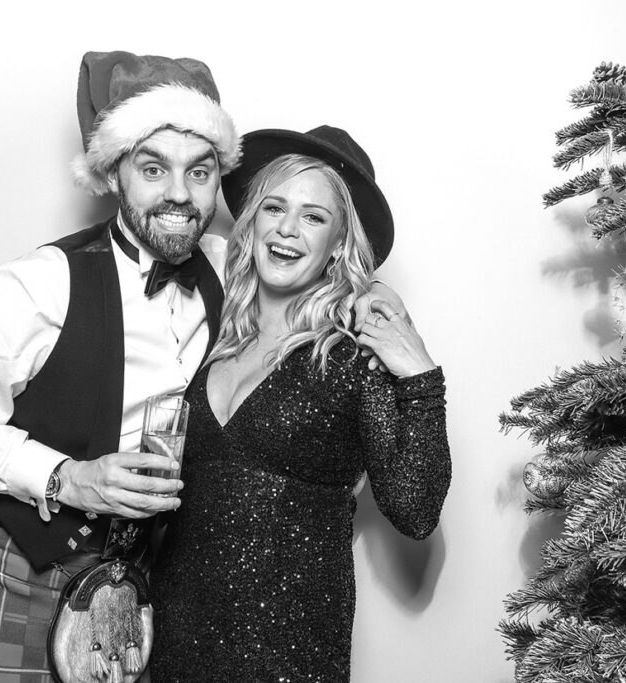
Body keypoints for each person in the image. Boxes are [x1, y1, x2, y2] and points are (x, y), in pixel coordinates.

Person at [0, 51, 241, 682]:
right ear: (115, 174)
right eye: (154, 169)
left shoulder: (228, 271)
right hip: (5, 564)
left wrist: (369, 300)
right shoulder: (35, 286)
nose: (180, 194)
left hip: (129, 572)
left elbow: (310, 259)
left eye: (199, 173)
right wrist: (68, 478)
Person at [149, 126, 452, 682]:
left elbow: (415, 512)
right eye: (274, 207)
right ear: (251, 220)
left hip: (286, 653)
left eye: (314, 217)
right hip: (175, 637)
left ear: (339, 241)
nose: (287, 229)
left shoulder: (351, 356)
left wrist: (421, 378)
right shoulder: (209, 334)